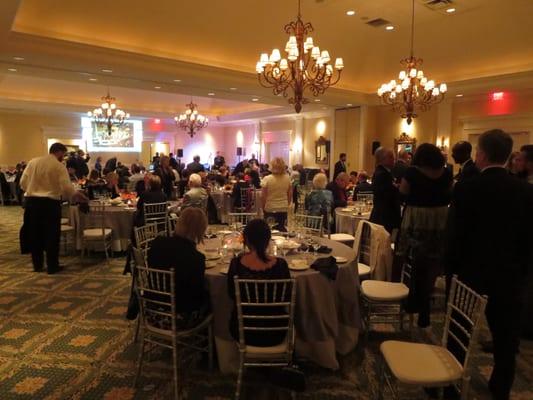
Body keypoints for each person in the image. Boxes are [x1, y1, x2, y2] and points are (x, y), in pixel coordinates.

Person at [447, 129, 533, 400]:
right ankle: (501, 387)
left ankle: (450, 382)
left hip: (470, 273)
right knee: (506, 339)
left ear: (481, 155)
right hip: (511, 276)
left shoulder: (467, 187)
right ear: (509, 156)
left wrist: (451, 269)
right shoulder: (526, 191)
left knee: (459, 331)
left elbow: (455, 234)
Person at [396, 143, 453, 327]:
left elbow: (403, 192)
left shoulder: (412, 172)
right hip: (440, 218)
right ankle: (425, 302)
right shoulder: (447, 172)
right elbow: (450, 193)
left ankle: (416, 302)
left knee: (417, 261)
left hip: (418, 217)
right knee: (432, 263)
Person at [20, 142, 88, 274]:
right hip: (50, 204)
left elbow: (23, 182)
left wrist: (32, 190)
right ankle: (52, 266)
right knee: (51, 235)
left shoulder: (33, 162)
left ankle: (37, 265)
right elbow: (66, 187)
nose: (64, 157)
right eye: (63, 154)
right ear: (59, 152)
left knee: (35, 234)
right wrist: (76, 195)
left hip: (32, 203)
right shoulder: (58, 166)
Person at [227, 219, 291, 346]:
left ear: (246, 240)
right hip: (277, 331)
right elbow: (287, 297)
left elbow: (231, 294)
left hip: (243, 331)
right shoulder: (281, 265)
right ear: (268, 240)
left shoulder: (236, 264)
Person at [147, 208, 210, 327]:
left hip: (151, 310)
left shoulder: (157, 243)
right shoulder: (196, 258)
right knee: (214, 299)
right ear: (200, 230)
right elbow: (197, 295)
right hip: (179, 318)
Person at [369, 147, 401, 234]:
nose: (394, 159)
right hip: (384, 216)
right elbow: (386, 195)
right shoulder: (382, 174)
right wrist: (397, 189)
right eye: (391, 157)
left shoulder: (384, 172)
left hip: (383, 215)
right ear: (382, 159)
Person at [261, 157, 291, 231]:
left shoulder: (267, 179)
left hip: (270, 207)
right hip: (283, 207)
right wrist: (286, 205)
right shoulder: (288, 179)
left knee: (269, 230)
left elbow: (263, 196)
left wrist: (263, 207)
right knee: (281, 229)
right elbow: (289, 195)